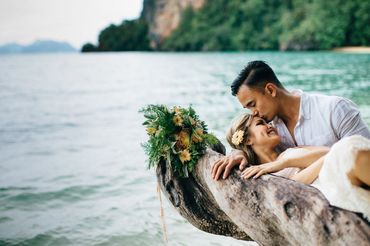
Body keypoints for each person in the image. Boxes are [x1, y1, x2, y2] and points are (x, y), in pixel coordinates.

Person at [213, 61, 370, 180]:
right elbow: (256, 145)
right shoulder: (272, 131)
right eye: (248, 109)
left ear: (270, 90)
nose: (254, 113)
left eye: (252, 105)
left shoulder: (334, 109)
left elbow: (364, 155)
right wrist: (239, 152)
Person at [212, 113, 370, 220]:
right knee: (348, 151)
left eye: (267, 122)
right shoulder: (259, 175)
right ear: (247, 140)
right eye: (261, 123)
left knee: (349, 147)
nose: (269, 125)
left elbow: (331, 153)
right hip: (324, 194)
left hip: (336, 175)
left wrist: (283, 162)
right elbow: (293, 186)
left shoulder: (291, 152)